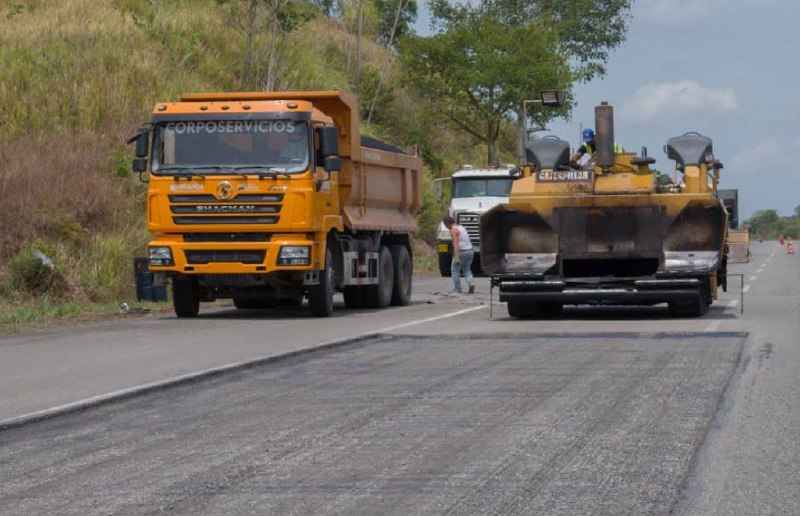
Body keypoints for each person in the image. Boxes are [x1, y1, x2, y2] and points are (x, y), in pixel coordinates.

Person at [443, 216, 475, 294]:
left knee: (454, 270)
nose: (447, 228)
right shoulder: (461, 227)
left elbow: (455, 243)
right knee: (466, 269)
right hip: (470, 251)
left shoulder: (453, 230)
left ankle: (457, 289)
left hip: (461, 252)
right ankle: (471, 283)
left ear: (448, 224)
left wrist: (456, 256)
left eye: (446, 226)